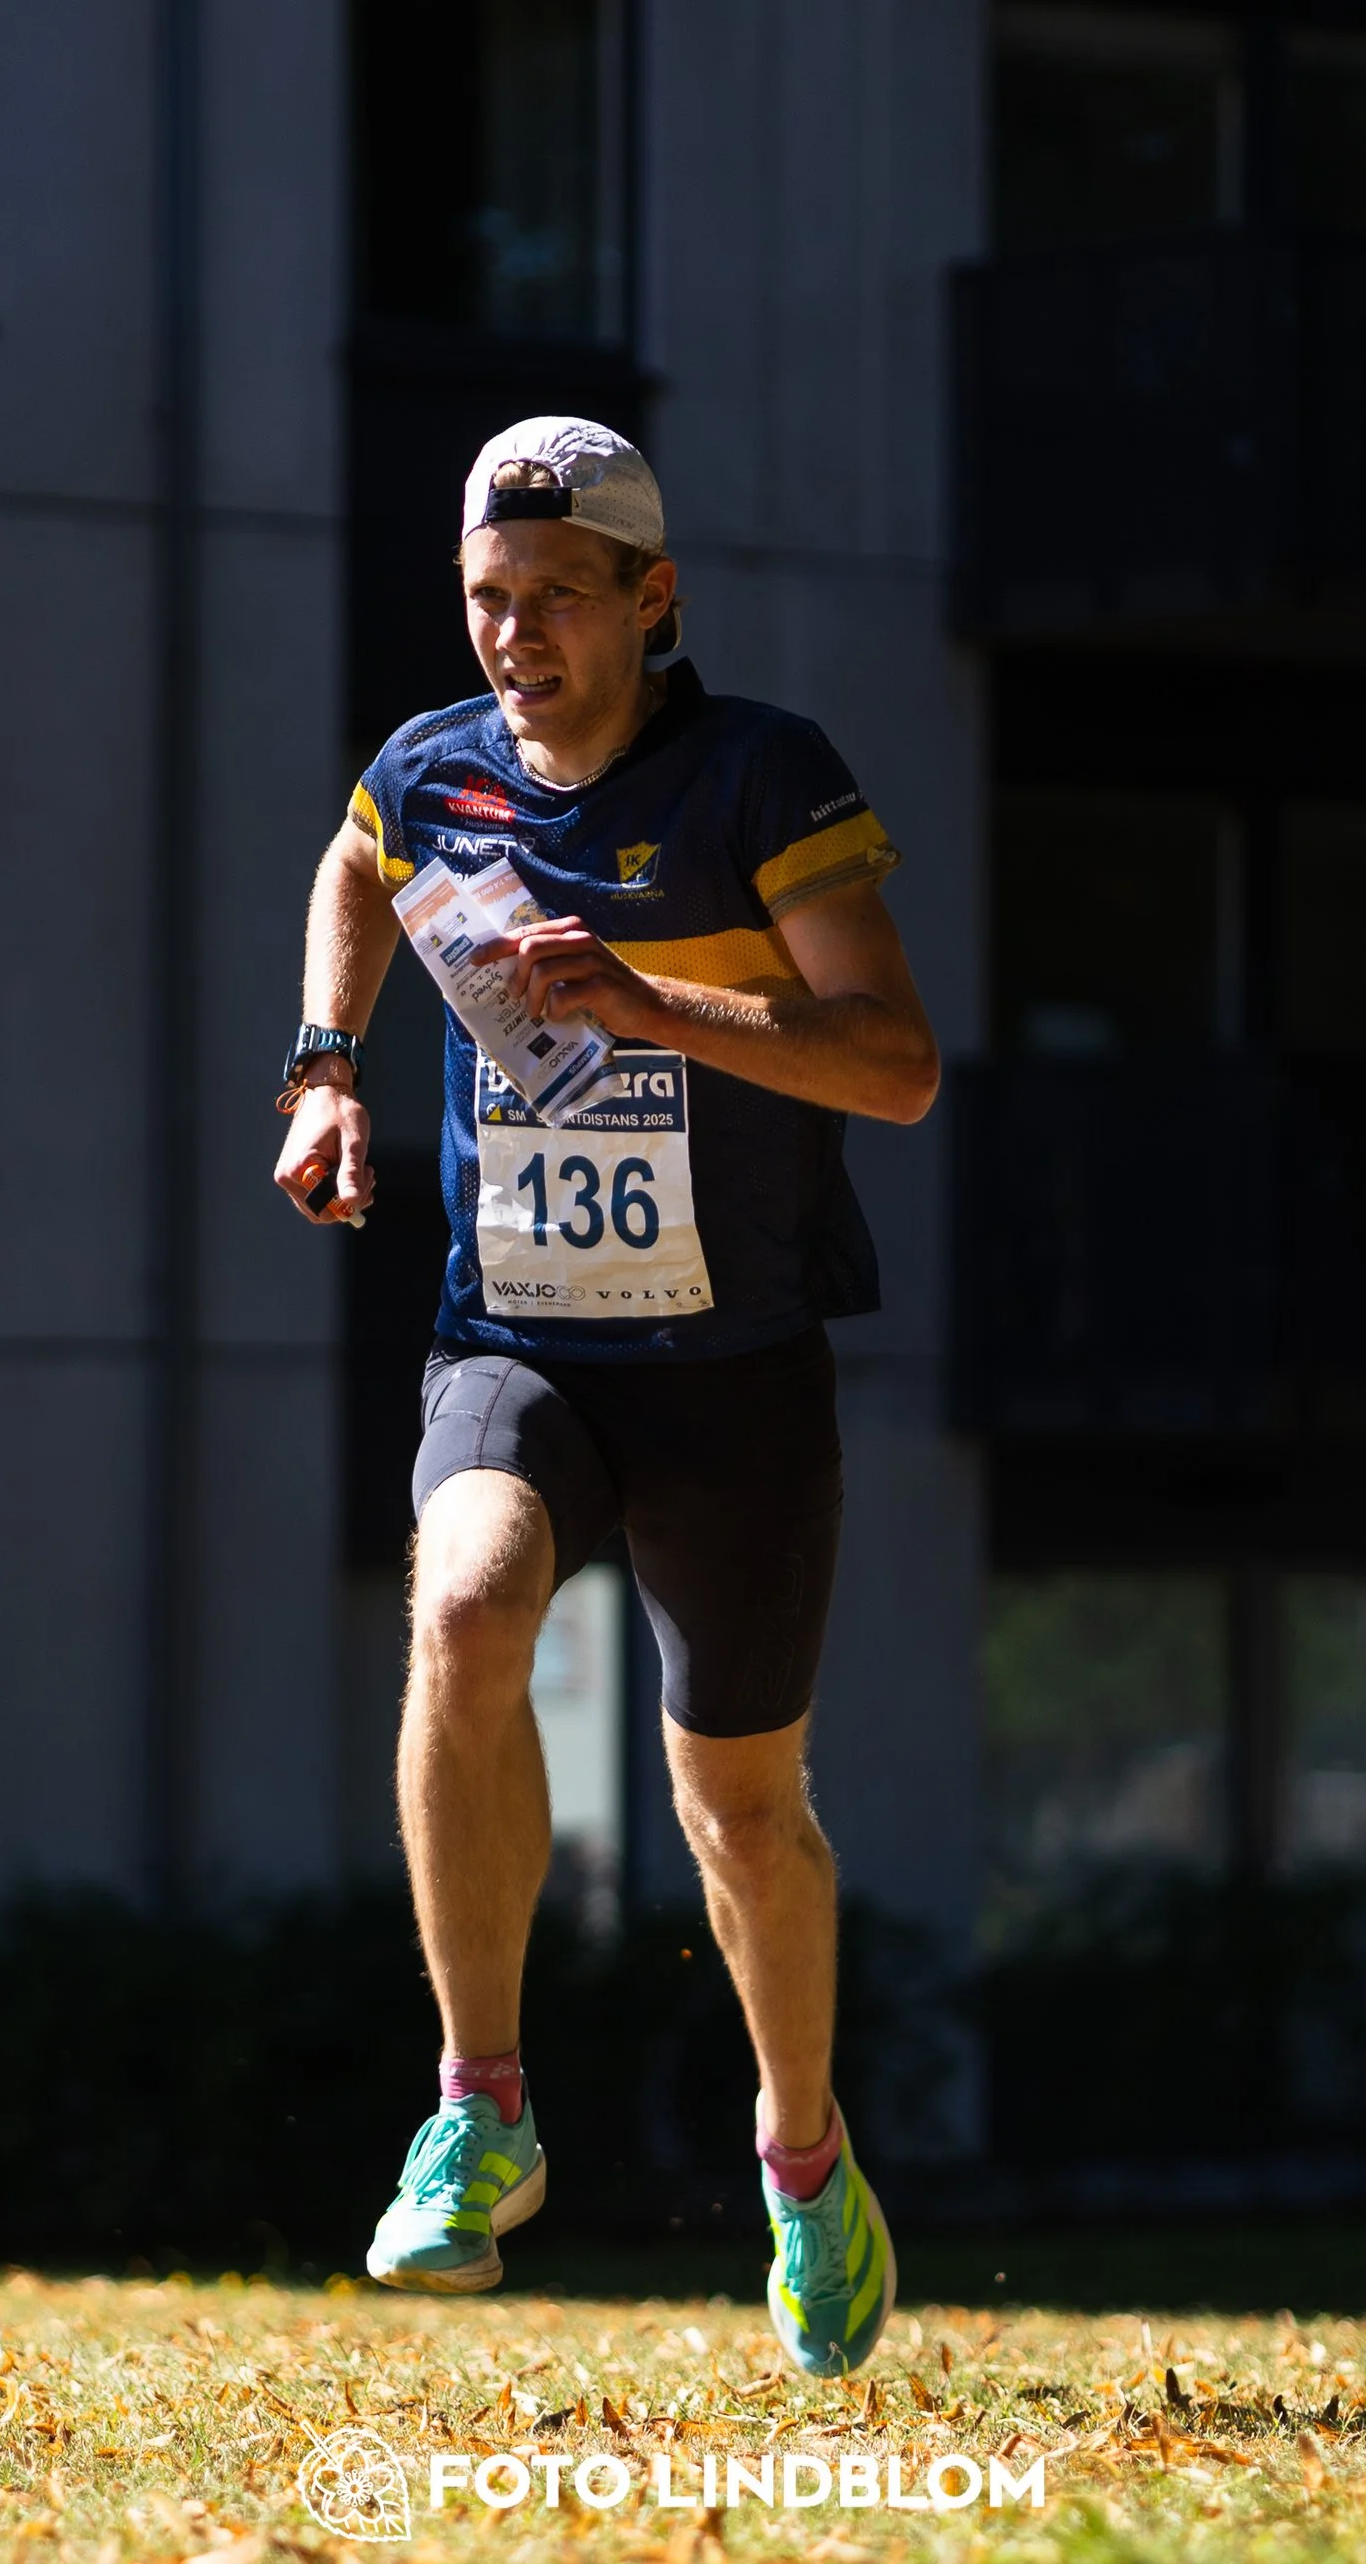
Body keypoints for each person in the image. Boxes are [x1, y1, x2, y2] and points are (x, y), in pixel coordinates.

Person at [272, 414, 938, 2376]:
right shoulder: (432, 767)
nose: (515, 636)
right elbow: (358, 857)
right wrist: (324, 1063)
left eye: (556, 597)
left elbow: (895, 1062)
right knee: (465, 1605)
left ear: (652, 598)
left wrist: (654, 1007)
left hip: (734, 1371)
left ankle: (803, 2163)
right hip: (519, 1335)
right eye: (487, 598)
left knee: (738, 1811)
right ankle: (479, 2107)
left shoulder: (762, 776)